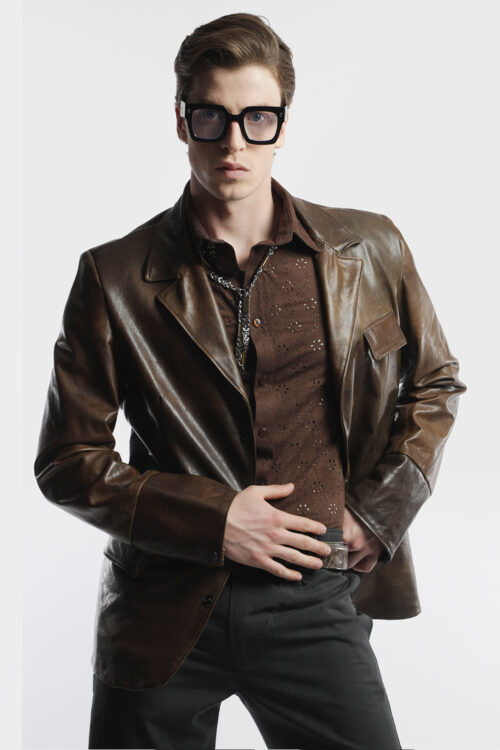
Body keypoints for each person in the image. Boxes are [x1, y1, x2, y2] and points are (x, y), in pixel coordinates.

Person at [34, 12, 467, 750]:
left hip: (314, 599)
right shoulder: (113, 277)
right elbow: (67, 462)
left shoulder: (369, 248)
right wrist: (216, 521)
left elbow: (434, 383)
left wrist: (378, 510)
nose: (234, 142)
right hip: (162, 607)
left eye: (256, 118)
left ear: (281, 125)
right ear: (183, 121)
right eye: (212, 116)